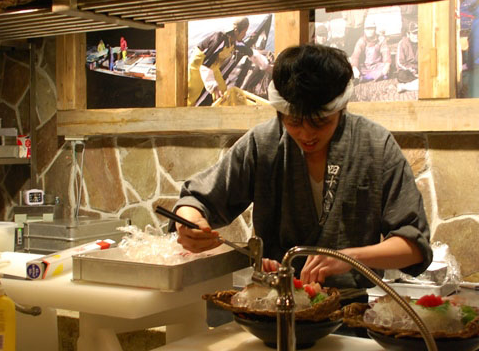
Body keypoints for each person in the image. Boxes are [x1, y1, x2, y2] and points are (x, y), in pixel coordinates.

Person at [171, 43, 433, 290]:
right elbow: (196, 200)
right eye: (294, 122)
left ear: (341, 108)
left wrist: (350, 258)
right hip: (272, 303)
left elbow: (414, 246)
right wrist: (191, 222)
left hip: (350, 310)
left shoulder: (375, 145)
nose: (307, 134)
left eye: (320, 122)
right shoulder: (263, 143)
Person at [186, 17, 251, 105]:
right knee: (192, 95)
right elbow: (204, 66)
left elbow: (248, 51)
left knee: (222, 90)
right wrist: (213, 87)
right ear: (236, 31)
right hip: (198, 65)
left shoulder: (234, 41)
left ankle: (219, 107)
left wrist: (265, 66)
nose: (245, 35)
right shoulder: (220, 40)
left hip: (213, 66)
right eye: (243, 32)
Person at [348, 17, 390, 82]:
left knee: (386, 68)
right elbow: (356, 56)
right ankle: (373, 76)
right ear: (364, 30)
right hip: (364, 67)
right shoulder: (361, 41)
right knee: (351, 66)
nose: (369, 31)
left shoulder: (381, 39)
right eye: (367, 29)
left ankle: (365, 78)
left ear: (375, 29)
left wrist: (387, 65)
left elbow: (386, 54)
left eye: (371, 29)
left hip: (377, 66)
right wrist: (355, 69)